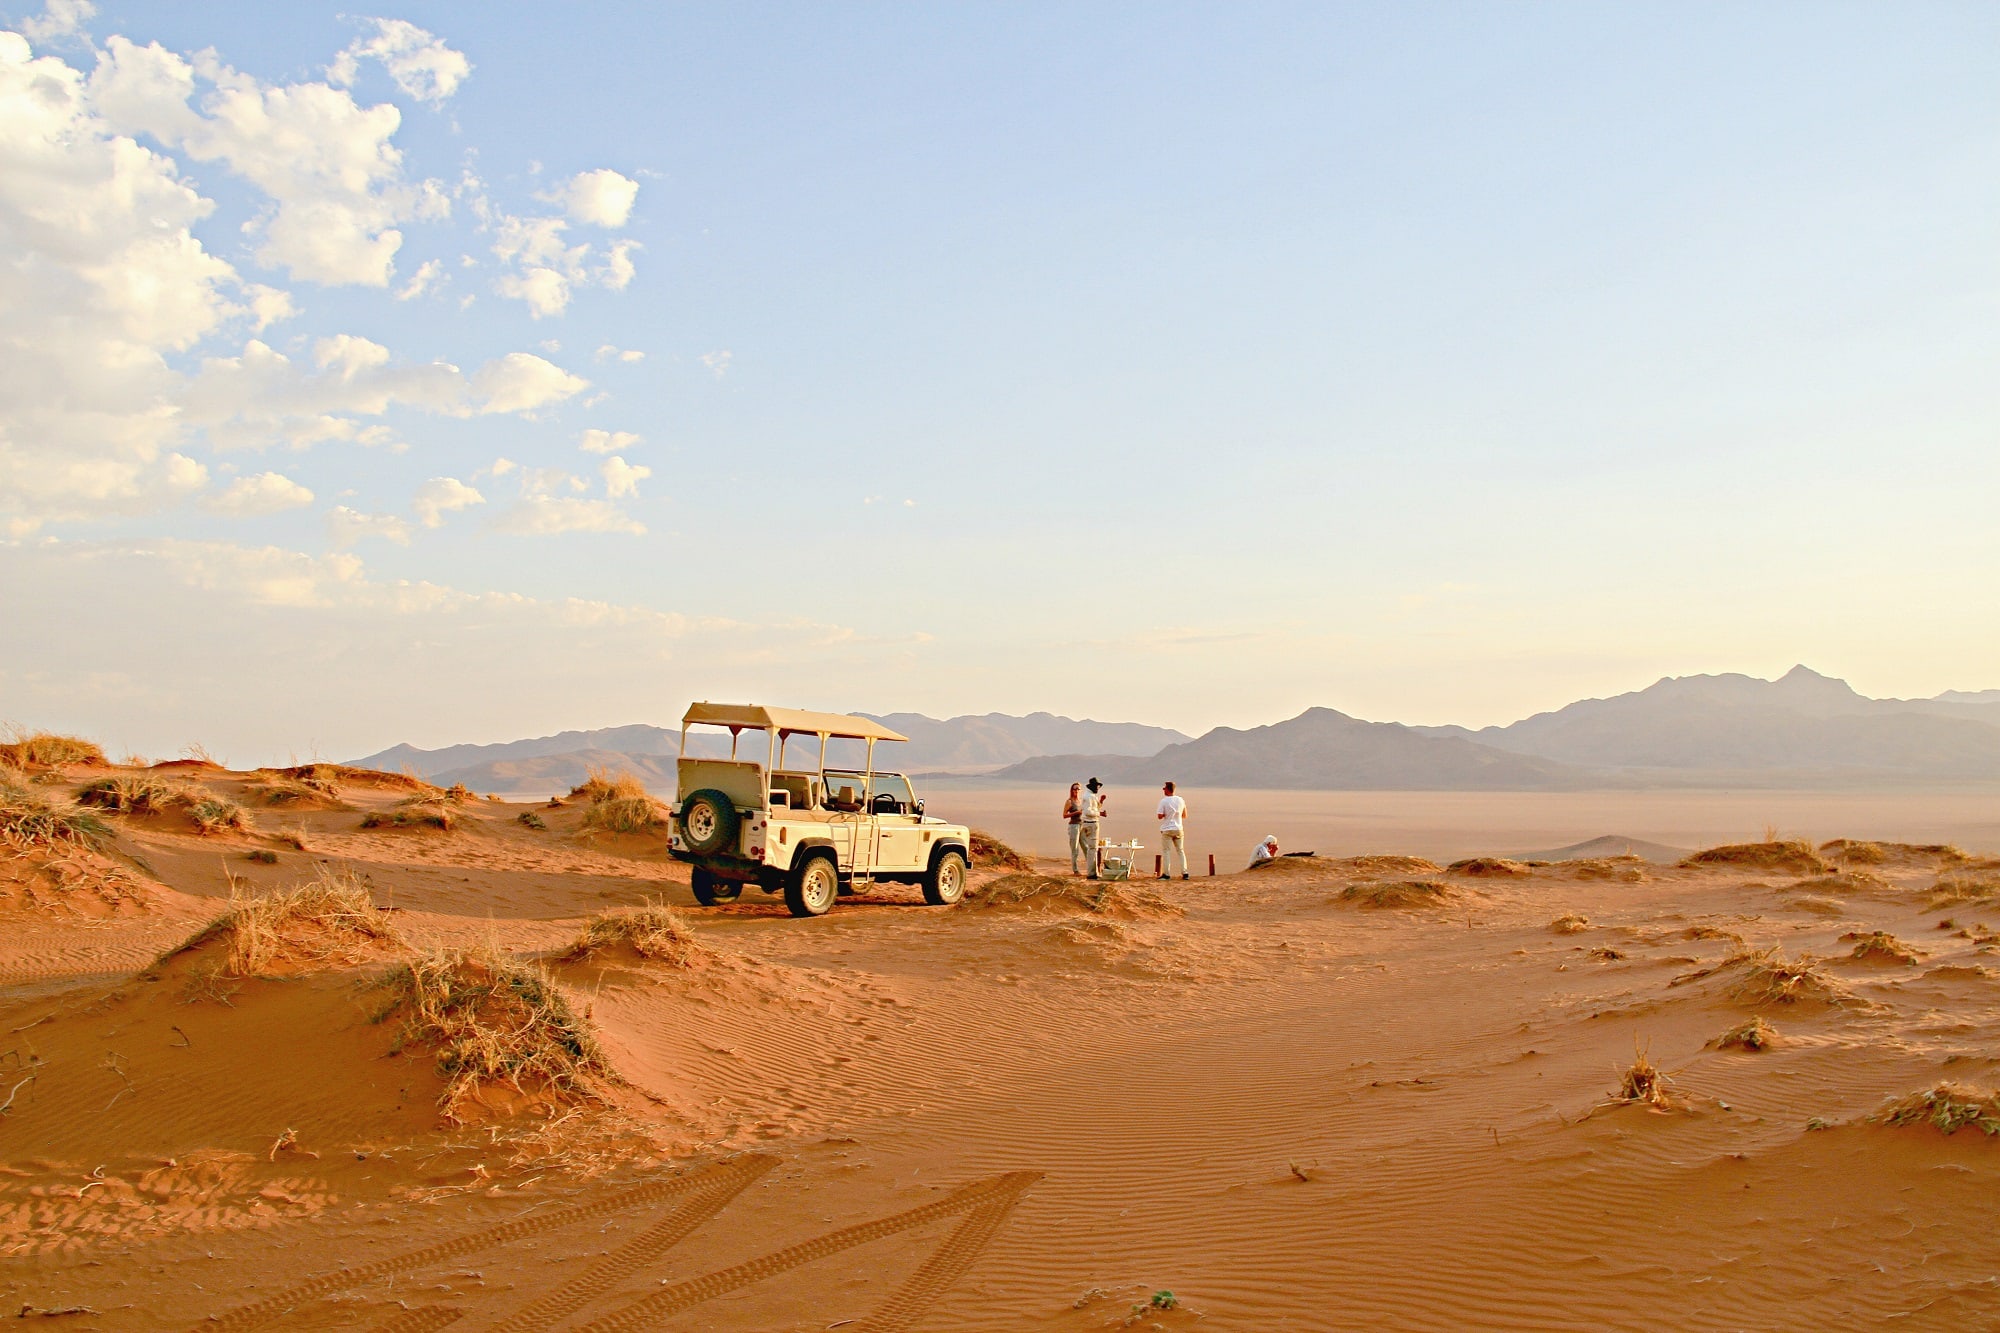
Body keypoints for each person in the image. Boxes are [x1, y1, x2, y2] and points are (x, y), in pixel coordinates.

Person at [1156, 780, 1189, 879]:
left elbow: (1159, 816)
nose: (1163, 790)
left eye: (1164, 788)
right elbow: (1185, 815)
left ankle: (1166, 874)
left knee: (1166, 852)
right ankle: (1185, 872)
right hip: (1178, 828)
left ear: (1167, 790)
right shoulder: (1180, 800)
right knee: (1180, 851)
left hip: (1167, 829)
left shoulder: (1164, 801)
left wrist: (1167, 814)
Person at [1079, 777, 1106, 879]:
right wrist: (1100, 814)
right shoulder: (1089, 797)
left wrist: (1101, 802)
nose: (1098, 788)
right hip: (1091, 823)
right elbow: (1088, 812)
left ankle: (1093, 872)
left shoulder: (1091, 796)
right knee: (1092, 849)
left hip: (1091, 823)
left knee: (1093, 849)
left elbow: (1094, 808)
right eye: (1097, 786)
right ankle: (1091, 873)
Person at [1061, 782, 1085, 875]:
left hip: (1082, 825)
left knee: (1086, 847)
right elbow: (1064, 815)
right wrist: (1075, 813)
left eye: (1078, 789)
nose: (1076, 790)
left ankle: (1091, 869)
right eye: (1075, 789)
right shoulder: (1069, 801)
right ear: (1072, 790)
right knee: (1075, 849)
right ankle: (1075, 870)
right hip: (1074, 826)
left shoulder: (1081, 801)